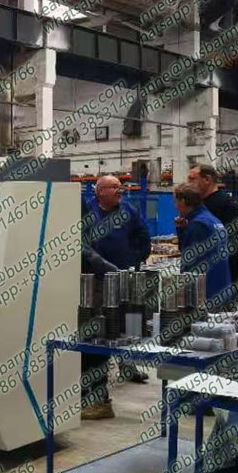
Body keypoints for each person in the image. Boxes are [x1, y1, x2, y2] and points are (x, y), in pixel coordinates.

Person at [80, 175, 152, 420]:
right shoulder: (87, 211)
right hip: (93, 284)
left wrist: (132, 263)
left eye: (120, 187)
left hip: (120, 281)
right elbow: (83, 247)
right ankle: (93, 396)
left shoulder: (128, 211)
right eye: (114, 187)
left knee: (112, 335)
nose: (120, 190)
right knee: (94, 339)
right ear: (100, 191)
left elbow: (143, 238)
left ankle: (100, 397)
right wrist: (100, 267)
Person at [188, 163, 238, 309]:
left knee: (221, 317)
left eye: (192, 179)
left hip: (226, 275)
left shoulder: (225, 205)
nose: (188, 183)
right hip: (206, 274)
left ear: (207, 179)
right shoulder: (200, 206)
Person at [174, 184, 233, 310]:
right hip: (222, 289)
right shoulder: (213, 221)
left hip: (206, 294)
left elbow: (189, 263)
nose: (176, 207)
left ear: (183, 201)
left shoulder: (198, 225)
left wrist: (184, 296)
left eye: (176, 202)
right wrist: (182, 230)